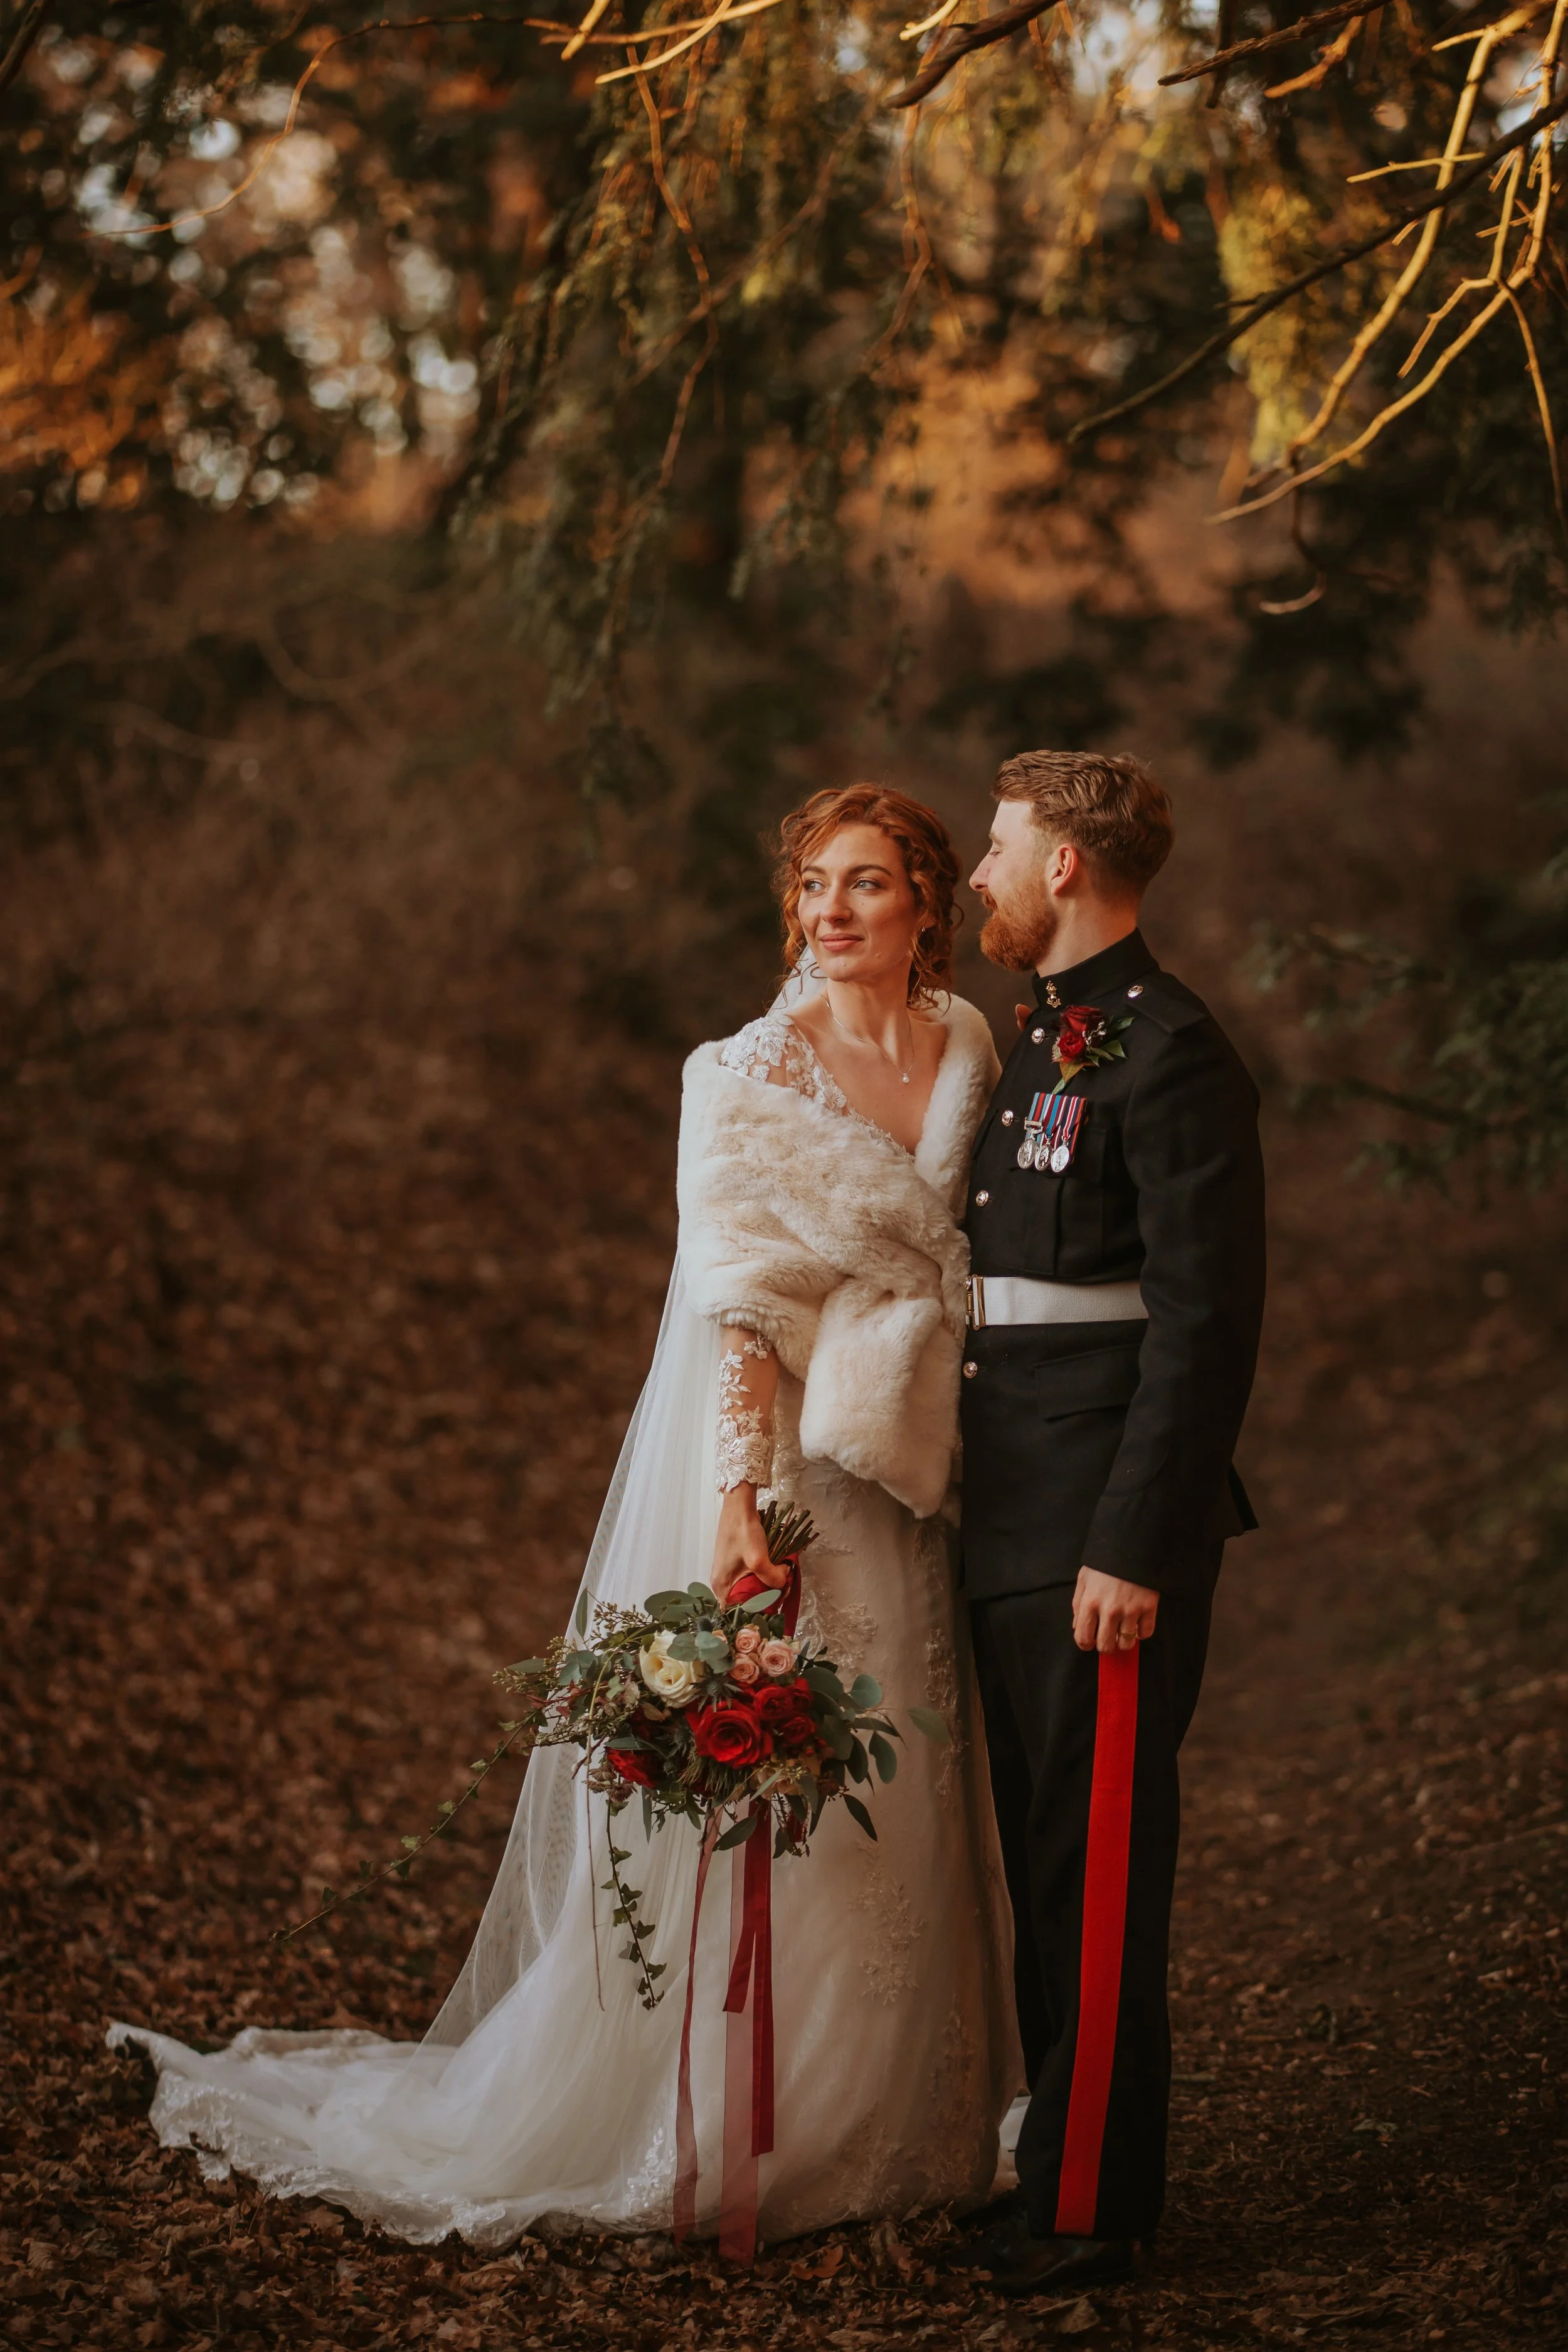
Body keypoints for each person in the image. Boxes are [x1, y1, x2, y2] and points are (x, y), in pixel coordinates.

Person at [109, 784, 1019, 2249]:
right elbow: (734, 1303)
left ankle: (904, 2117)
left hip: (913, 1460)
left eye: (866, 882)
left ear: (926, 903)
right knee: (793, 1795)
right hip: (793, 1468)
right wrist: (735, 1494)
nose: (833, 909)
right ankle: (745, 2123)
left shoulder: (970, 1045)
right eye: (811, 885)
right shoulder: (738, 1071)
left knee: (907, 1765)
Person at [957, 750, 1266, 2296]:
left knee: (1096, 1876)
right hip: (1004, 1514)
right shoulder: (1034, 1047)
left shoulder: (1173, 1052)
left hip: (1099, 1539)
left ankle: (1087, 2207)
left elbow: (1203, 1327)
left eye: (999, 846)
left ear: (1067, 863)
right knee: (1036, 1858)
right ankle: (1044, 2167)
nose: (979, 877)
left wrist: (1137, 1542)